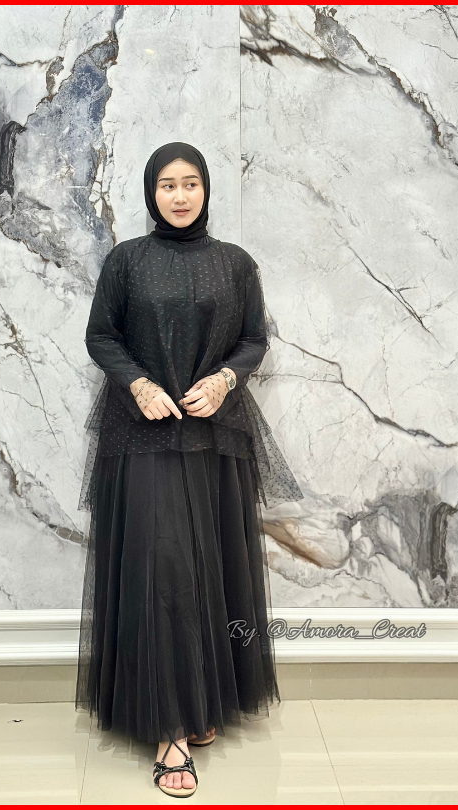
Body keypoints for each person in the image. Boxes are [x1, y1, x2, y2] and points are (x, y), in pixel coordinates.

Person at [74, 141, 303, 797]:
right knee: (163, 573)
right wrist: (138, 383)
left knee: (213, 567)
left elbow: (254, 339)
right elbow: (100, 335)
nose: (180, 195)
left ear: (206, 190)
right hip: (141, 435)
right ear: (152, 193)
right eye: (167, 185)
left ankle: (200, 701)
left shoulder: (235, 263)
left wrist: (226, 379)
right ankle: (170, 727)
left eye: (191, 183)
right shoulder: (127, 260)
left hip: (214, 435)